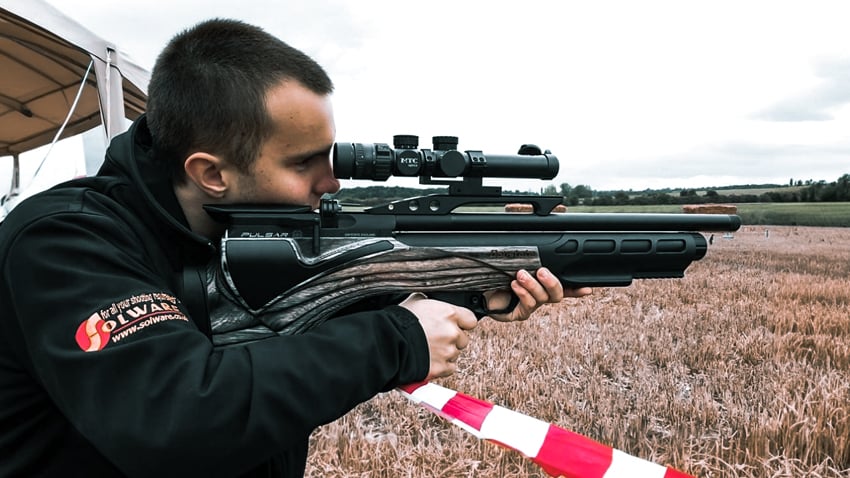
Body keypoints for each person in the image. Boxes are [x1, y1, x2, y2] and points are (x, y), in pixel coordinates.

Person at [0, 18, 591, 477]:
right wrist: (397, 339)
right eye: (304, 163)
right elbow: (175, 417)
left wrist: (467, 282)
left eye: (330, 157)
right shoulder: (65, 239)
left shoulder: (243, 233)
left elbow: (283, 322)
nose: (331, 183)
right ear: (212, 173)